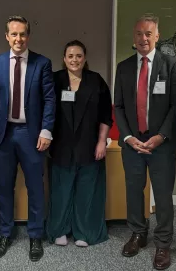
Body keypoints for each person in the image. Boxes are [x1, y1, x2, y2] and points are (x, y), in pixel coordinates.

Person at [114, 15, 176, 270]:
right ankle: (138, 234)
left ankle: (163, 243)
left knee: (163, 195)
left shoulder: (172, 65)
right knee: (134, 190)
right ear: (134, 37)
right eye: (139, 34)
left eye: (148, 34)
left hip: (161, 144)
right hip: (132, 144)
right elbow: (118, 106)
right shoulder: (123, 67)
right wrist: (129, 137)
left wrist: (161, 136)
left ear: (157, 35)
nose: (143, 38)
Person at [0, 15, 55, 262]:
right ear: (6, 36)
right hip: (4, 134)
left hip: (31, 134)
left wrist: (46, 130)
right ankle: (5, 233)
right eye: (13, 34)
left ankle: (36, 235)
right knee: (4, 186)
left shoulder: (42, 63)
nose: (18, 38)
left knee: (35, 187)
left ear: (28, 36)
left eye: (22, 34)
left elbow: (49, 99)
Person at [46, 40, 112, 248]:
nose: (75, 60)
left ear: (85, 59)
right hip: (61, 145)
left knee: (87, 189)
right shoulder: (54, 80)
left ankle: (85, 231)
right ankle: (60, 229)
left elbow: (105, 115)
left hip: (89, 144)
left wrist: (102, 142)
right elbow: (45, 111)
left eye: (79, 56)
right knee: (61, 189)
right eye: (70, 56)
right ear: (64, 59)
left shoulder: (96, 81)